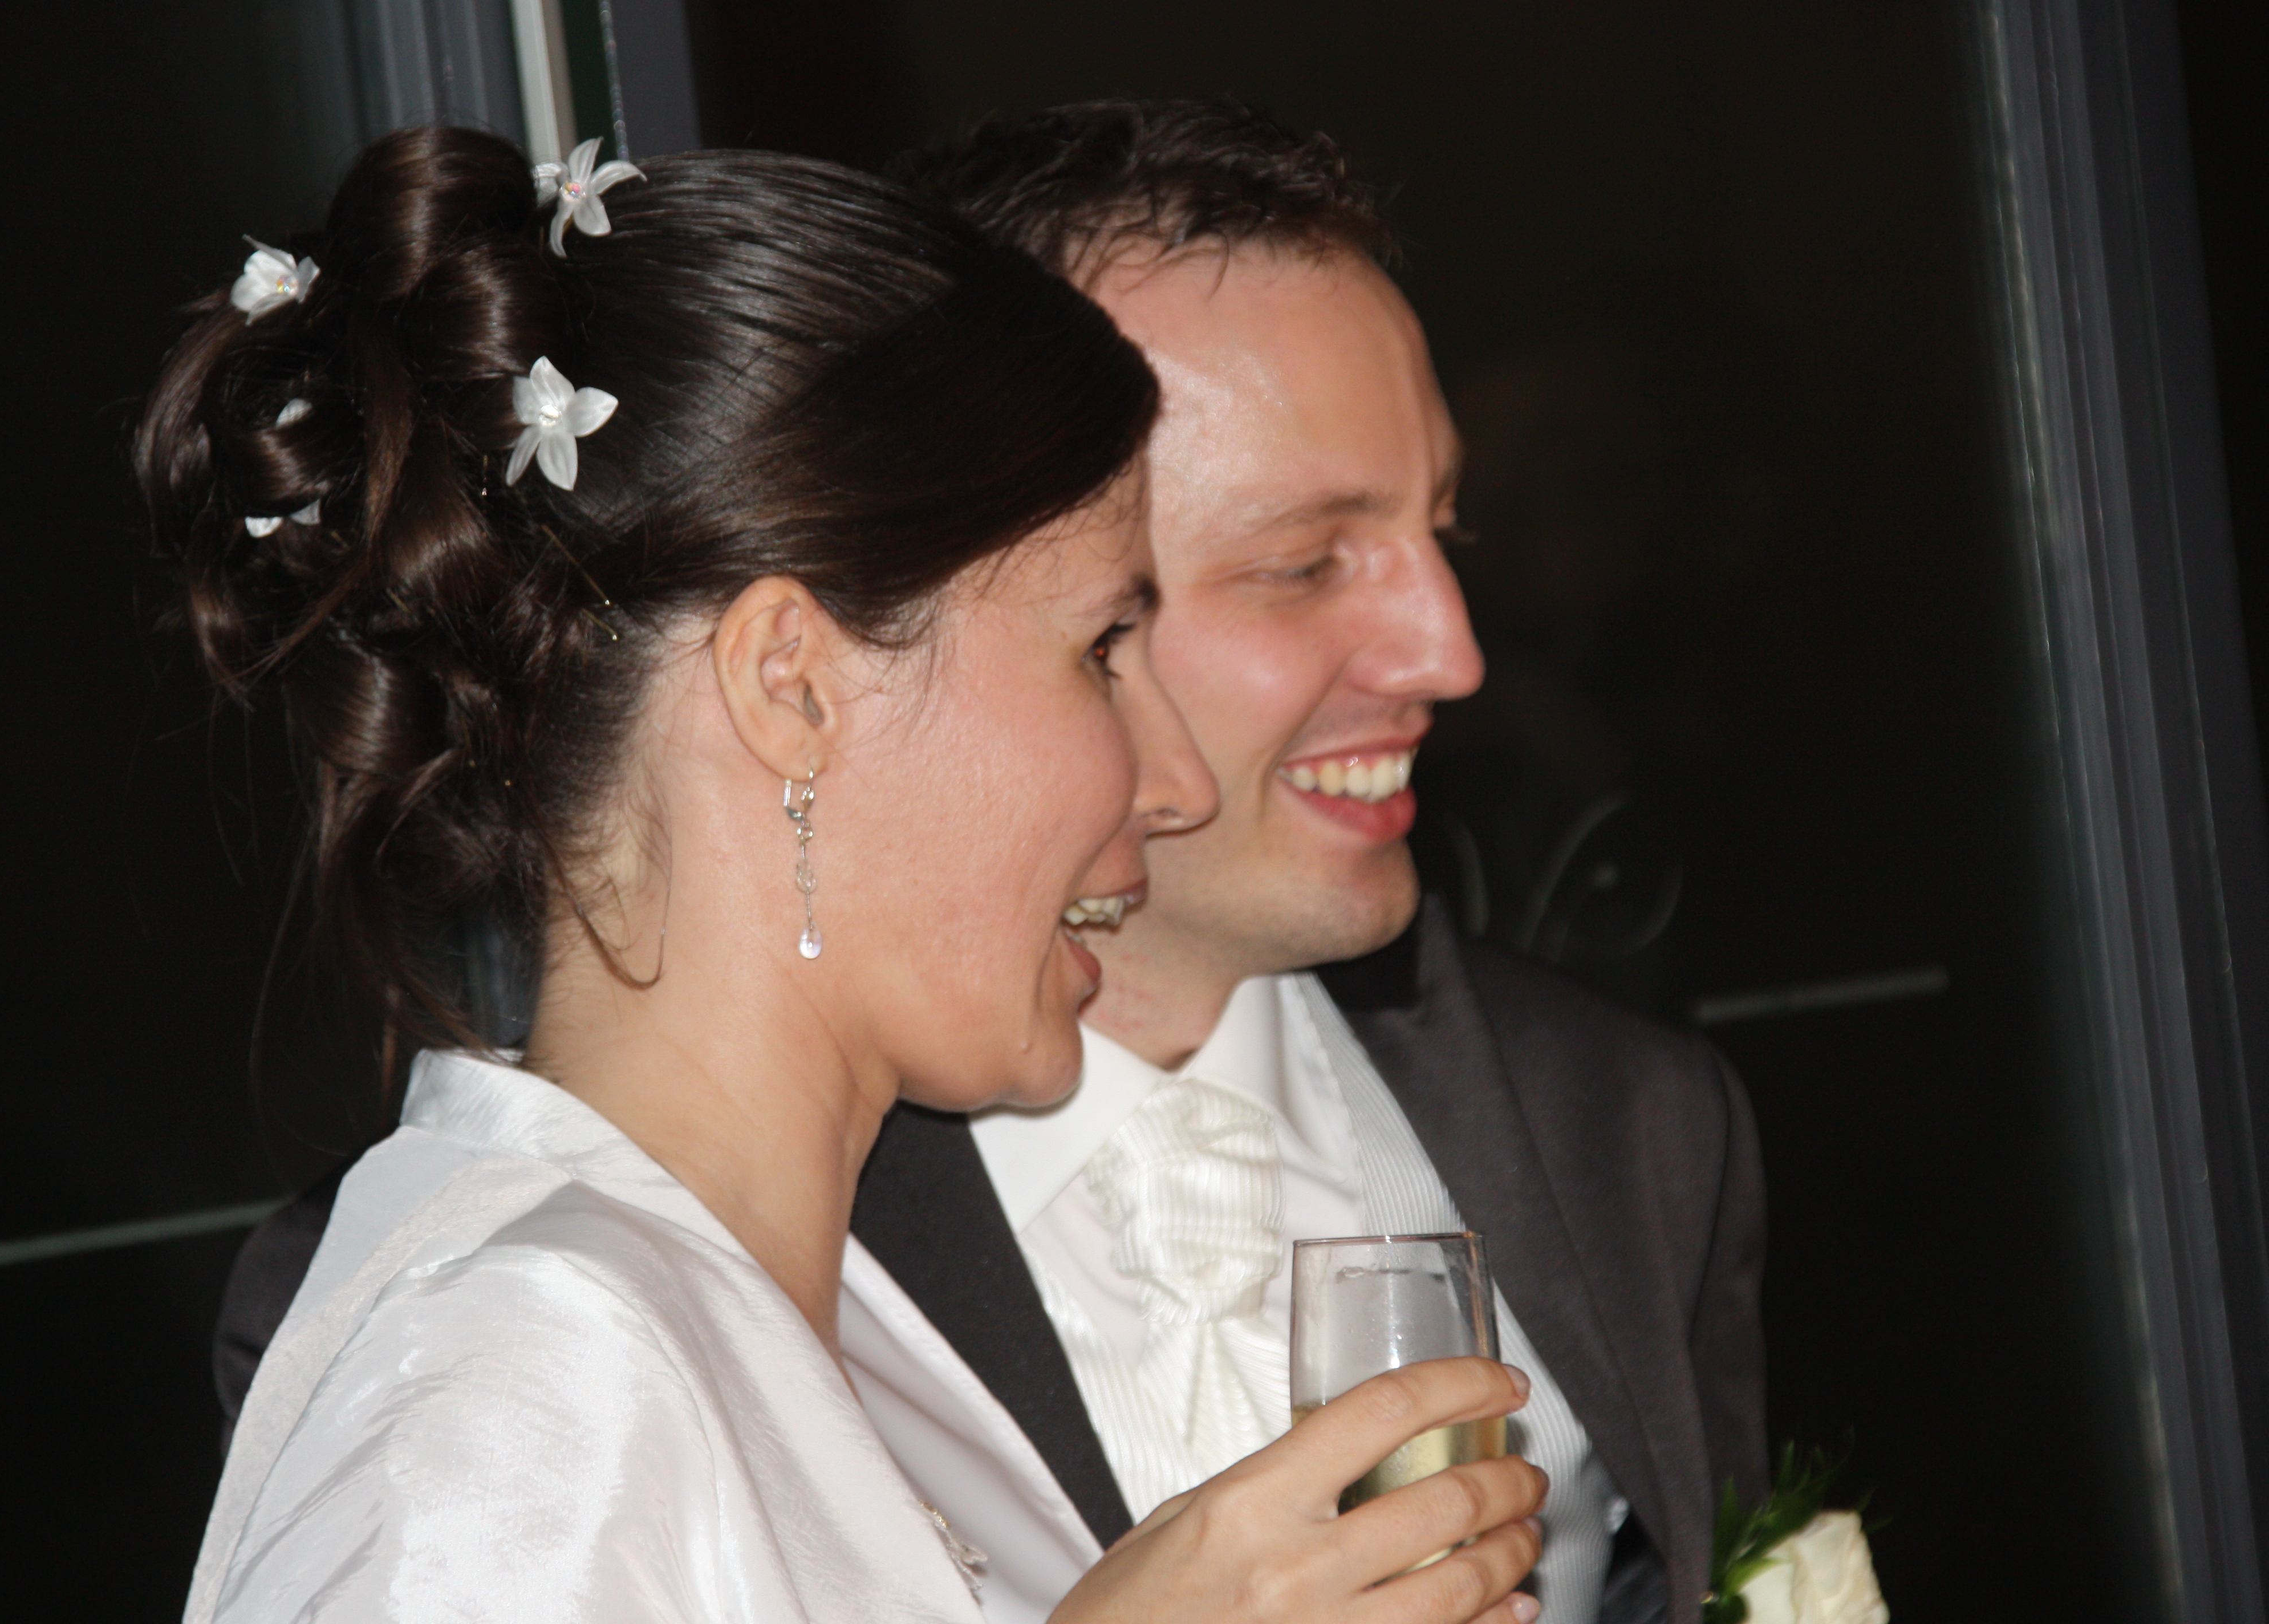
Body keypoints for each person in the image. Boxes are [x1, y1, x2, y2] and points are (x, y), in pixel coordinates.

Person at [213, 103, 1762, 1623]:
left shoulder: (746, 1322)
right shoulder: (512, 1380)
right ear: (792, 689)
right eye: (1099, 647)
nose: (1164, 780)